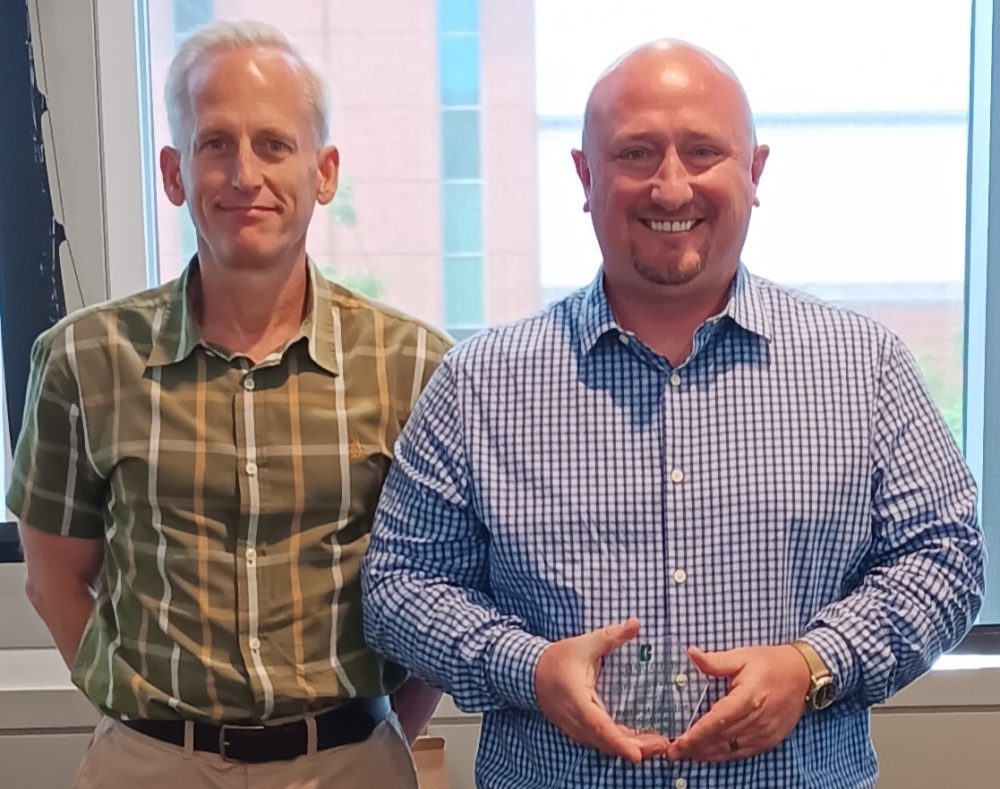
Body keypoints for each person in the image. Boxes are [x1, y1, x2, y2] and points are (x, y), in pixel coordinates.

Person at [362, 39, 986, 788]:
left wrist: (813, 664)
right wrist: (527, 668)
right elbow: (399, 587)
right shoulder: (479, 383)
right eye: (636, 153)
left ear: (754, 172)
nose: (670, 187)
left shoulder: (865, 366)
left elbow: (946, 558)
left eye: (702, 151)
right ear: (585, 176)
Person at [9, 19, 450, 789]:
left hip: (349, 763)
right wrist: (148, 724)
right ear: (174, 172)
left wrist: (368, 738)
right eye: (216, 144)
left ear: (324, 172)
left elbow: (444, 589)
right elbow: (52, 581)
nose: (245, 174)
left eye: (274, 144)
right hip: (149, 766)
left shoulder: (415, 366)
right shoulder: (84, 360)